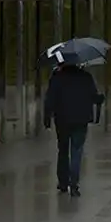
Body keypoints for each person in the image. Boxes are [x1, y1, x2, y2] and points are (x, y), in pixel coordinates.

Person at [43, 52, 101, 195]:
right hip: (81, 119)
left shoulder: (56, 78)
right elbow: (94, 97)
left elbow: (49, 99)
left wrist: (47, 118)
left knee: (63, 151)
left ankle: (63, 182)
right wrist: (100, 99)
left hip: (62, 119)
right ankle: (74, 184)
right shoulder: (86, 77)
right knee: (77, 151)